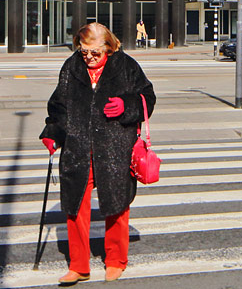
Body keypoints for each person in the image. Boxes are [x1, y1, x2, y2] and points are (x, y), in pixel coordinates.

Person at [41, 22, 156, 285]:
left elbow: (147, 97)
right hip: (78, 148)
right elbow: (59, 104)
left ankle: (116, 260)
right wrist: (52, 132)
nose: (89, 58)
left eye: (95, 53)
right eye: (84, 52)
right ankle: (79, 266)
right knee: (74, 207)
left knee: (117, 205)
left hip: (115, 147)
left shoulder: (126, 66)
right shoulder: (72, 66)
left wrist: (127, 105)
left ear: (108, 47)